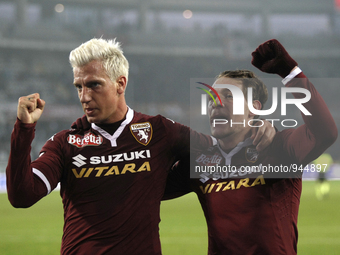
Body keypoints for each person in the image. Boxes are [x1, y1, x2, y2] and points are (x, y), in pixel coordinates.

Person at [6, 38, 275, 255]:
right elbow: (22, 196)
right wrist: (24, 129)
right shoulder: (66, 143)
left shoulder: (160, 130)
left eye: (94, 85)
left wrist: (259, 126)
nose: (84, 97)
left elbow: (218, 148)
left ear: (120, 83)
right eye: (78, 87)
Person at [163, 39, 338, 255]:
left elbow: (325, 132)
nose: (216, 102)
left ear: (253, 108)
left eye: (229, 95)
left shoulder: (279, 147)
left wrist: (290, 72)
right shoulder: (200, 161)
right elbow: (143, 188)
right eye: (212, 97)